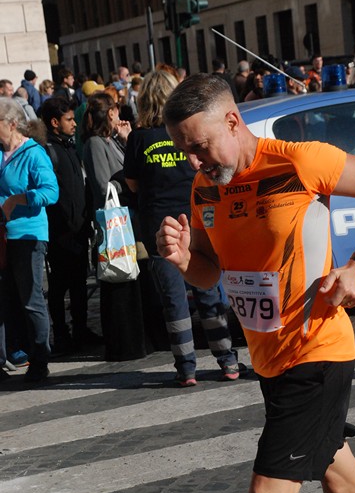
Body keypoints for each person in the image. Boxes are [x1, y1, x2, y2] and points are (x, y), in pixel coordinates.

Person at [156, 74, 355, 493]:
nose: (194, 163)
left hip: (317, 349)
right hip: (269, 359)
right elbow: (210, 270)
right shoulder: (206, 187)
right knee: (342, 480)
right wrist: (183, 259)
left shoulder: (298, 160)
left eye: (199, 148)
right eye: (184, 152)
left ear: (232, 120)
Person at [123, 70, 243, 386]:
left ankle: (186, 367)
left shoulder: (138, 139)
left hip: (160, 226)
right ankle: (227, 360)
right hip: (198, 218)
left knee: (173, 298)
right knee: (208, 287)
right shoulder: (187, 133)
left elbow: (132, 185)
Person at [82, 92, 148, 361]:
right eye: (116, 109)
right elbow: (102, 185)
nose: (119, 113)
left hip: (128, 221)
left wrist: (126, 139)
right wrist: (125, 183)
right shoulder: (95, 143)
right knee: (118, 279)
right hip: (114, 224)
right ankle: (123, 343)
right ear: (110, 113)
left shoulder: (112, 140)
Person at [0, 98, 59, 384]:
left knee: (31, 299)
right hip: (3, 236)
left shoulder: (34, 154)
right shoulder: (1, 153)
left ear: (11, 124)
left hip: (28, 235)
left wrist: (17, 199)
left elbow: (51, 192)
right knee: (9, 298)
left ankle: (40, 357)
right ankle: (16, 351)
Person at [41, 97, 102, 355]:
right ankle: (62, 334)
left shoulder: (69, 148)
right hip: (60, 234)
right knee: (58, 287)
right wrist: (65, 224)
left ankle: (80, 328)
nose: (74, 123)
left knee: (78, 285)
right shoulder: (48, 151)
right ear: (55, 123)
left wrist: (86, 220)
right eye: (68, 119)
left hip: (79, 231)